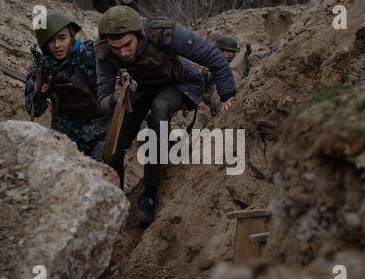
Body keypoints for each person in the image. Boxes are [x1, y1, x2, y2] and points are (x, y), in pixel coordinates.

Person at [95, 6, 236, 224]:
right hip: (145, 87)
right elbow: (103, 100)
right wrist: (115, 100)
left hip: (182, 82)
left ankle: (150, 194)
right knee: (114, 146)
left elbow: (212, 56)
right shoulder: (105, 52)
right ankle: (114, 202)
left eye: (127, 45)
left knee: (158, 112)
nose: (122, 53)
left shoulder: (161, 33)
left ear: (138, 35)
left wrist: (227, 95)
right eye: (116, 48)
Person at [25, 12, 111, 161]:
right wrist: (41, 92)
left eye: (62, 38)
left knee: (103, 172)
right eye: (51, 41)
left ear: (71, 37)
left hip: (100, 130)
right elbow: (34, 110)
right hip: (65, 134)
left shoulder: (90, 53)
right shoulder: (41, 67)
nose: (57, 45)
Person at [202, 34, 240, 116]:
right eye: (228, 51)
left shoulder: (234, 65)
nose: (231, 54)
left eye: (233, 52)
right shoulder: (210, 67)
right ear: (219, 50)